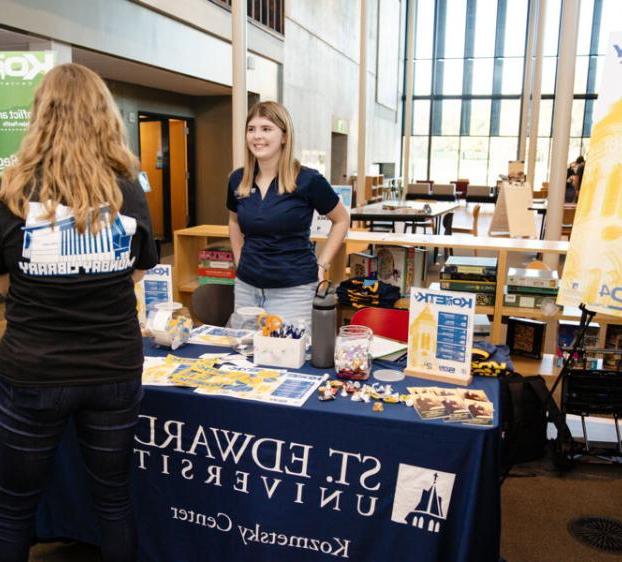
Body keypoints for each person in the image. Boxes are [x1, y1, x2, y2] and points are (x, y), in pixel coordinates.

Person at [0, 64, 157, 562]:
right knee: (112, 499)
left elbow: (4, 278)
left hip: (35, 369)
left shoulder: (12, 190)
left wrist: (47, 283)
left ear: (40, 116)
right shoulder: (126, 188)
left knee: (12, 507)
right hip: (112, 366)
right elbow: (140, 267)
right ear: (103, 115)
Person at [227, 101, 349, 329]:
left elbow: (341, 220)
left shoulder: (308, 180)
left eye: (266, 129)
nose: (257, 136)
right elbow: (234, 221)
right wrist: (238, 259)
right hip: (246, 288)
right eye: (251, 129)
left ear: (284, 136)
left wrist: (322, 264)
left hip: (293, 291)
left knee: (286, 357)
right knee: (243, 356)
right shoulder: (238, 179)